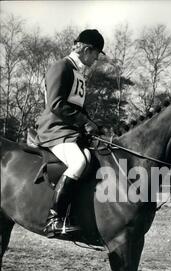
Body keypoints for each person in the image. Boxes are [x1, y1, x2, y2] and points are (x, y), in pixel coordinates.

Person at [36, 29, 105, 237]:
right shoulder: (61, 67)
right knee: (79, 162)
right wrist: (84, 122)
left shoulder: (77, 73)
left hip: (69, 131)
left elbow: (76, 106)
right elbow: (56, 104)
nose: (96, 59)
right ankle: (53, 219)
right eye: (96, 54)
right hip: (54, 129)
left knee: (88, 156)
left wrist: (92, 123)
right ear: (86, 49)